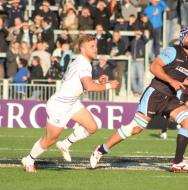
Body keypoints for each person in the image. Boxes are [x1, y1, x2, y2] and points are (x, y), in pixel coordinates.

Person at [90, 27, 188, 172]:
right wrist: (172, 81)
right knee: (135, 129)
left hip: (171, 98)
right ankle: (101, 150)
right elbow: (154, 68)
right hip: (155, 93)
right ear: (181, 38)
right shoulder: (172, 51)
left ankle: (177, 162)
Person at [21, 35, 119, 172]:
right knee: (49, 140)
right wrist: (108, 85)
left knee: (92, 127)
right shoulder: (83, 64)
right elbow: (89, 87)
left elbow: (79, 84)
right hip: (60, 106)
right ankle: (29, 159)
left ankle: (65, 144)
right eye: (92, 46)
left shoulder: (79, 61)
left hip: (72, 103)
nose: (96, 49)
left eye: (96, 46)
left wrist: (97, 81)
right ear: (82, 48)